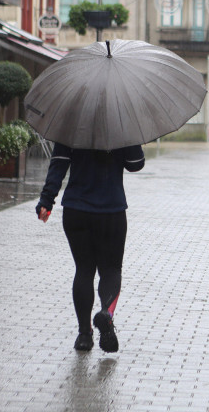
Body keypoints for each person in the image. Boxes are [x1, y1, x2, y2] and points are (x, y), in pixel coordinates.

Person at [36, 144, 145, 353]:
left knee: (84, 270)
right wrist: (132, 142)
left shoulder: (72, 123)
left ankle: (84, 335)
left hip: (76, 209)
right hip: (111, 210)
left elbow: (58, 164)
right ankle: (106, 313)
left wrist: (46, 201)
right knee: (111, 270)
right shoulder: (121, 125)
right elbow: (135, 164)